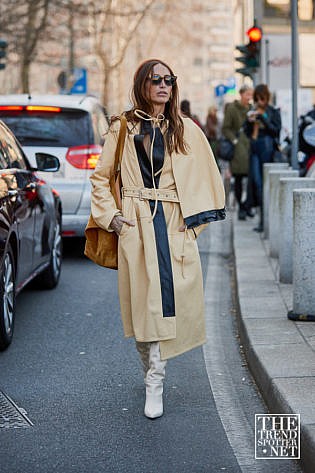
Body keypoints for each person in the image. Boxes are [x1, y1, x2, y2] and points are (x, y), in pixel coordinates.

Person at [90, 59, 225, 419]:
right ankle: (150, 370)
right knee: (143, 306)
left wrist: (194, 223)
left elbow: (208, 178)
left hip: (173, 224)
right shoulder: (122, 127)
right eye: (155, 80)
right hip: (135, 225)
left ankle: (156, 380)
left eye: (168, 80)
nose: (163, 85)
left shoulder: (185, 129)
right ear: (142, 85)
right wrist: (114, 219)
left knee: (166, 304)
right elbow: (101, 178)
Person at [243, 83, 281, 232]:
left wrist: (263, 117)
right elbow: (246, 132)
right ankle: (262, 221)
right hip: (254, 149)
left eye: (262, 99)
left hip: (267, 149)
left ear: (267, 98)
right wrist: (249, 121)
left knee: (266, 185)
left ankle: (267, 222)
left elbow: (276, 131)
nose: (260, 102)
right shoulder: (252, 111)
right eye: (257, 99)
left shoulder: (273, 112)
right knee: (257, 184)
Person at [221, 84, 253, 220]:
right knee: (239, 179)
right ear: (241, 94)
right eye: (248, 95)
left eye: (251, 95)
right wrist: (234, 140)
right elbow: (225, 128)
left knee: (253, 180)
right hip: (238, 149)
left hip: (251, 147)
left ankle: (248, 206)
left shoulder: (252, 109)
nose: (250, 98)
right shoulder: (232, 109)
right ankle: (241, 207)